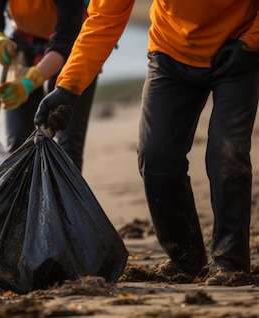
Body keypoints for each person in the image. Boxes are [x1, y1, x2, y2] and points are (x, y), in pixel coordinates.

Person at [34, 0, 259, 285]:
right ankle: (185, 257)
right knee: (155, 157)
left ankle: (231, 262)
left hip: (238, 54)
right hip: (170, 54)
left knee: (227, 154)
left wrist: (251, 42)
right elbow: (103, 18)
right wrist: (67, 87)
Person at [0, 0, 99, 171]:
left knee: (67, 149)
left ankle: (63, 196)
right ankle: (23, 196)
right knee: (17, 145)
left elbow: (64, 42)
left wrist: (30, 81)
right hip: (24, 43)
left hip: (75, 48)